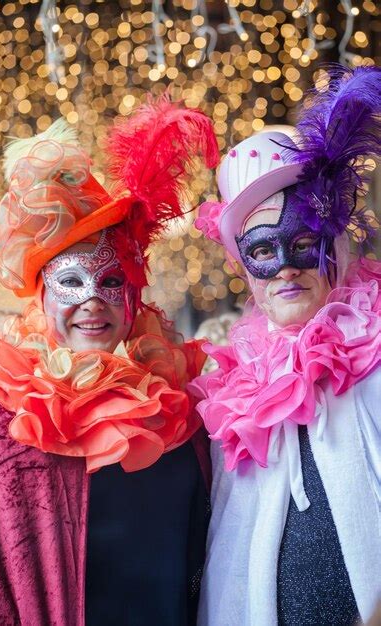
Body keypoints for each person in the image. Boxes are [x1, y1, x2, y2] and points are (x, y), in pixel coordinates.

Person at [0, 96, 219, 625]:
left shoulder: (180, 404)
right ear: (40, 296)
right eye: (71, 282)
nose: (93, 302)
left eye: (111, 281)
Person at [191, 65, 381, 625]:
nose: (286, 270)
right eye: (263, 253)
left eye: (303, 243)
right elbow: (229, 552)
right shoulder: (238, 390)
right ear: (244, 270)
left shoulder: (374, 354)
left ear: (333, 242)